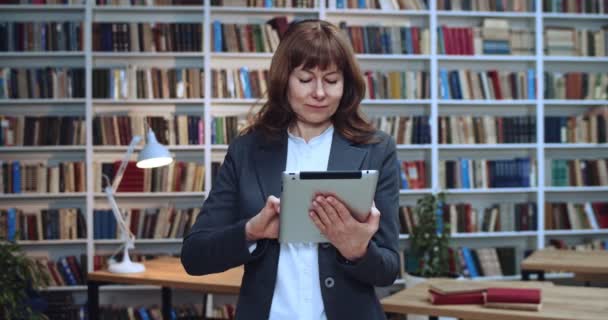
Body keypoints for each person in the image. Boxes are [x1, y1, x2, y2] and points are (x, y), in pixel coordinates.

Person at [181, 19, 400, 320]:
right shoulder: (247, 151)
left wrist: (357, 250)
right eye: (306, 79)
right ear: (284, 80)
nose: (319, 92)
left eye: (332, 80)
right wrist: (251, 232)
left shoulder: (376, 150)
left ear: (346, 85)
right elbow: (194, 256)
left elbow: (388, 269)